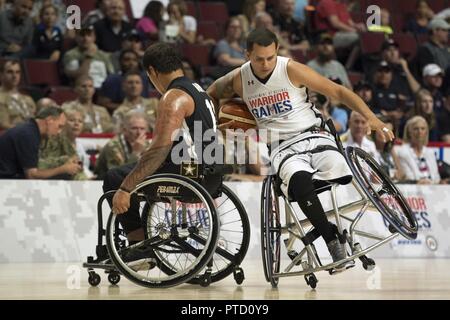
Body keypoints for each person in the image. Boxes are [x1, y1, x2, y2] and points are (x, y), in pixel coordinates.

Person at [206, 28, 394, 270]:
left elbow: (337, 91)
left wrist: (373, 118)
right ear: (247, 55)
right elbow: (209, 93)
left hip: (314, 134)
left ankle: (384, 211)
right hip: (282, 147)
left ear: (277, 53)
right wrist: (217, 125)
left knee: (342, 170)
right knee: (299, 182)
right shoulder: (239, 79)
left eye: (270, 57)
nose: (265, 64)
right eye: (259, 59)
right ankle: (332, 239)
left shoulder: (290, 69)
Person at [106, 43, 220, 252]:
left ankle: (139, 249)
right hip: (211, 174)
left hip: (188, 175)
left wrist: (125, 189)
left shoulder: (173, 97)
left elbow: (160, 148)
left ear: (152, 72)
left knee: (115, 178)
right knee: (140, 170)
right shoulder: (201, 92)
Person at [0, 106, 81, 179]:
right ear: (49, 120)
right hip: (5, 182)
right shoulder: (28, 135)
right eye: (59, 126)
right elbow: (31, 175)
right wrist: (63, 169)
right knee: (63, 176)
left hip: (10, 179)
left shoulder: (31, 130)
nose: (59, 132)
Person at [94, 110, 150, 180]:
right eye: (134, 128)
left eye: (142, 129)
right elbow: (118, 175)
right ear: (124, 130)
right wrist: (136, 153)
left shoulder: (147, 145)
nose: (139, 132)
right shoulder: (113, 146)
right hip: (104, 184)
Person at [38, 106, 89, 180]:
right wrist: (64, 161)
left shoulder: (73, 142)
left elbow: (78, 163)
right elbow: (39, 166)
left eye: (80, 121)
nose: (76, 124)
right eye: (71, 120)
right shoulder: (46, 139)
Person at [396, 116, 443, 184]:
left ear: (426, 132)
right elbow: (408, 177)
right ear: (409, 132)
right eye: (416, 129)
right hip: (412, 191)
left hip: (432, 190)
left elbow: (436, 177)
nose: (419, 132)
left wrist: (440, 182)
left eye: (422, 128)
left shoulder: (430, 152)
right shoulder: (402, 151)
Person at [0, 59, 36, 130]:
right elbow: (3, 125)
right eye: (10, 72)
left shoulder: (28, 98)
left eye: (17, 72)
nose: (14, 76)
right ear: (1, 75)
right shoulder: (1, 98)